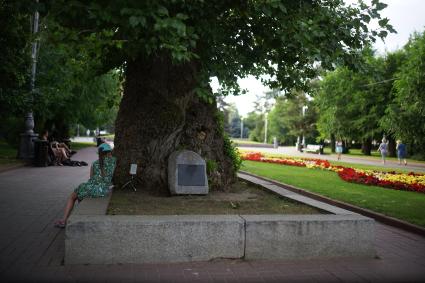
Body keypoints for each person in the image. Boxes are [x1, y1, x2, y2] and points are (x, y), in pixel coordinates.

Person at [54, 143, 116, 228]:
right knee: (82, 193)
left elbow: (91, 178)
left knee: (73, 196)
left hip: (93, 188)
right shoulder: (114, 161)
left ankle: (64, 220)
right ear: (110, 152)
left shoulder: (95, 163)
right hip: (104, 190)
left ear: (99, 153)